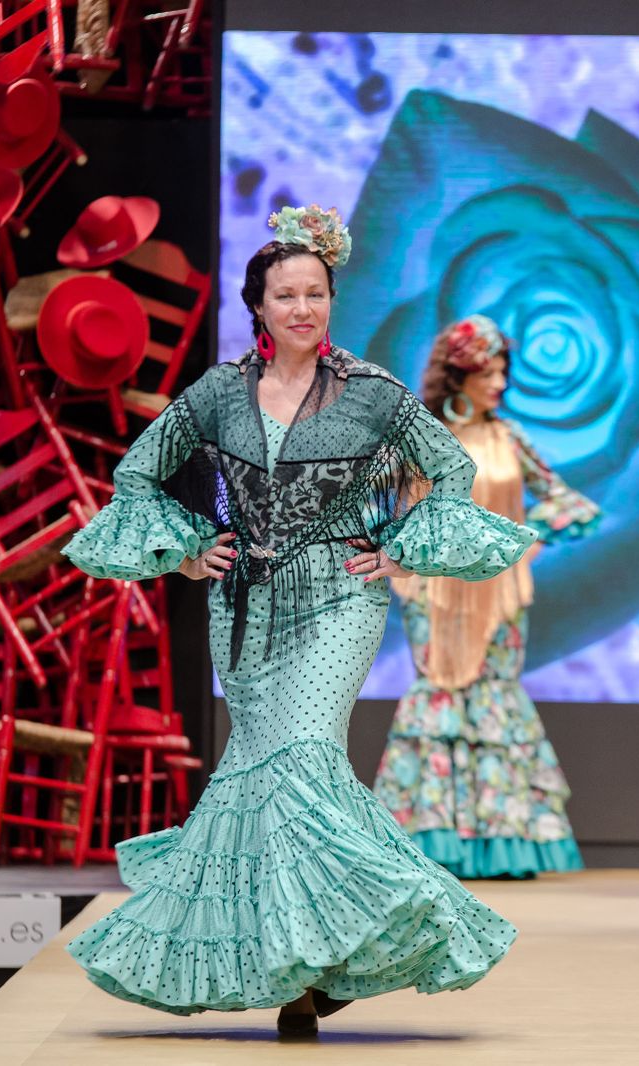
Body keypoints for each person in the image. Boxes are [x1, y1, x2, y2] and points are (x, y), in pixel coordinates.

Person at [62, 205, 534, 1034]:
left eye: (316, 293)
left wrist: (402, 551)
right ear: (259, 306)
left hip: (339, 595)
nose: (304, 309)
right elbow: (137, 476)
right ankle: (308, 973)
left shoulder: (373, 393)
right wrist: (184, 550)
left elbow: (451, 468)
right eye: (287, 295)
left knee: (307, 755)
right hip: (244, 606)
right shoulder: (217, 393)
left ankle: (396, 914)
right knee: (264, 782)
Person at [373, 314, 599, 879]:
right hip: (436, 591)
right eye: (487, 372)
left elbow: (566, 503)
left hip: (500, 594)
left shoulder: (509, 437)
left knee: (494, 695)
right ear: (458, 375)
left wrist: (525, 546)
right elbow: (384, 508)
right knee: (439, 695)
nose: (498, 383)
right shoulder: (423, 436)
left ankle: (501, 838)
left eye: (502, 372)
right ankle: (429, 835)